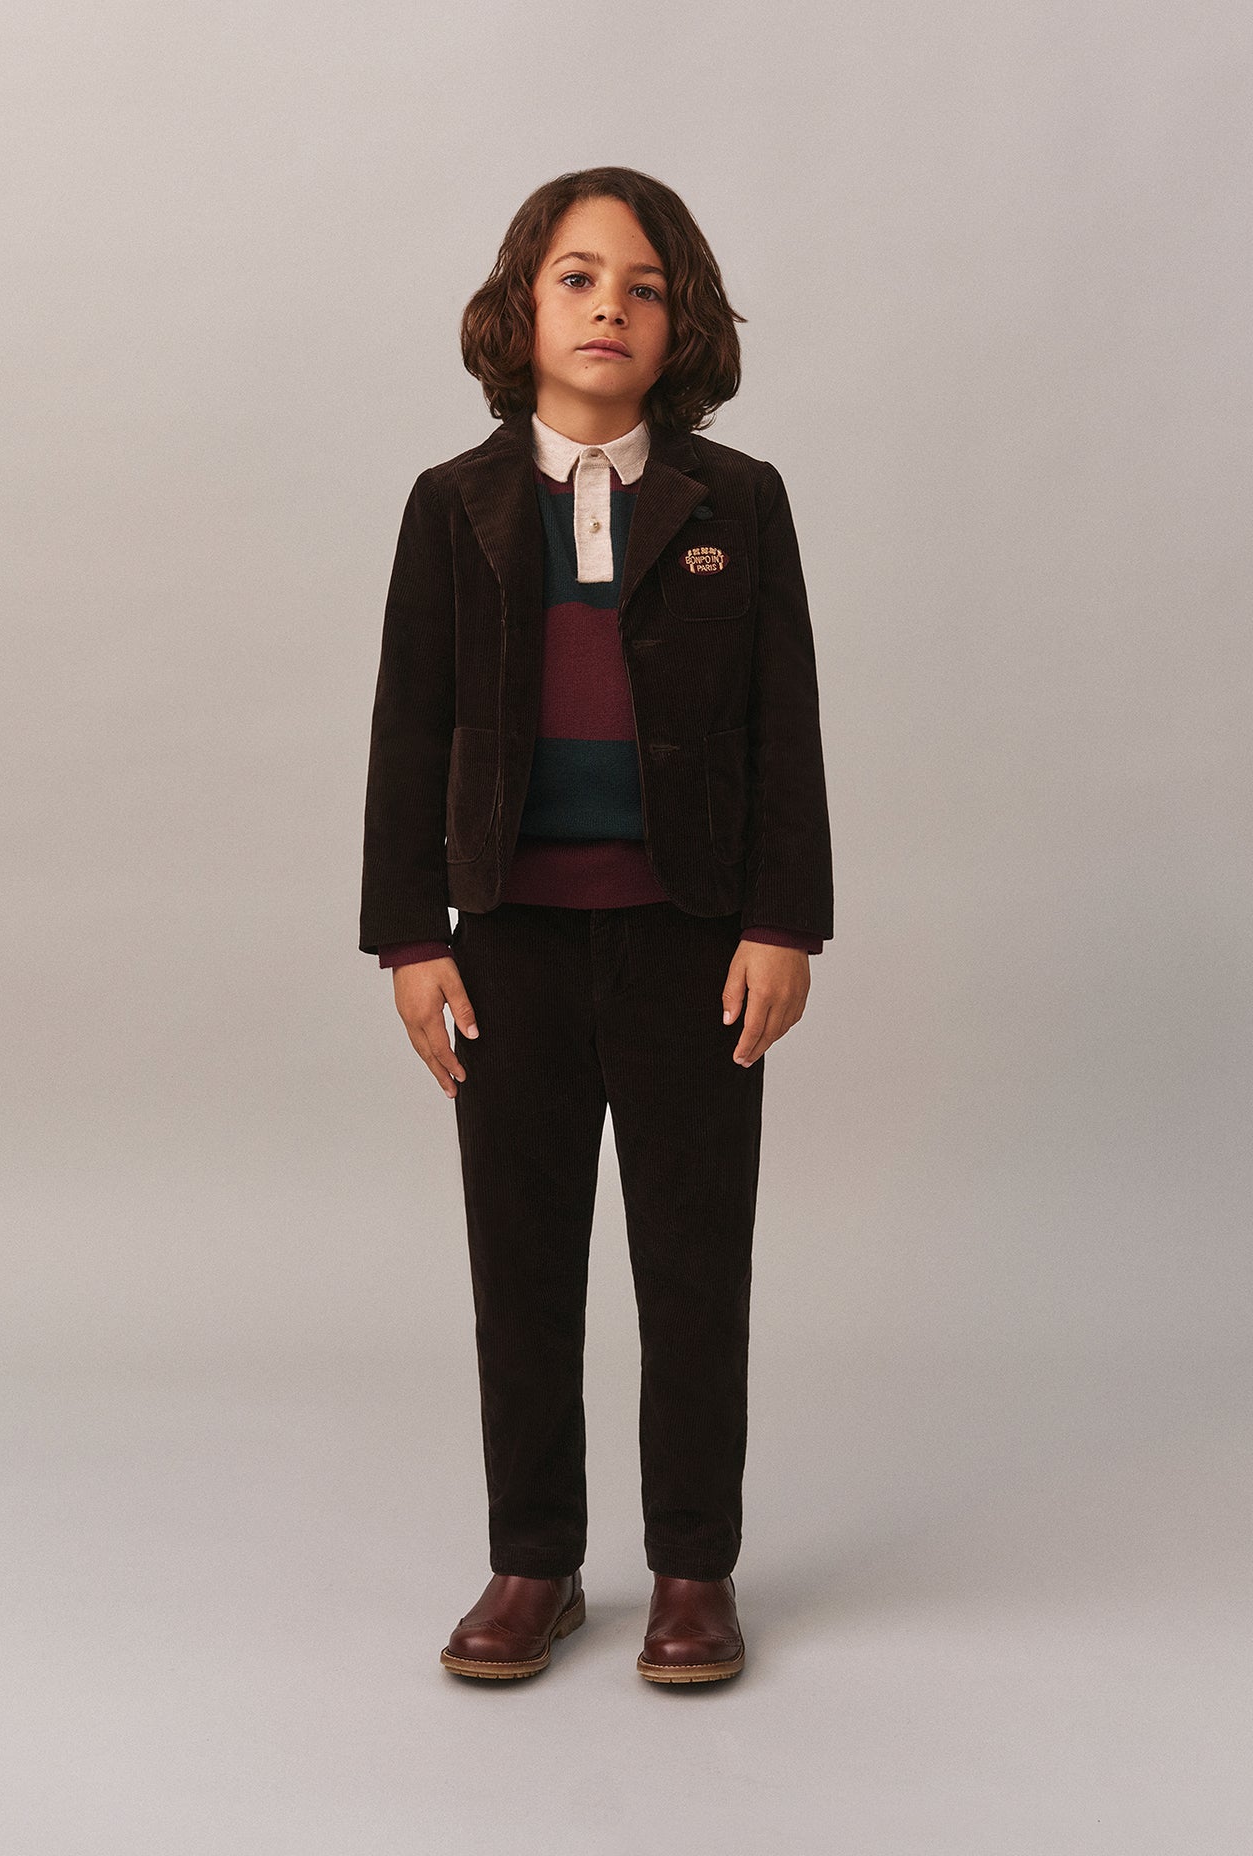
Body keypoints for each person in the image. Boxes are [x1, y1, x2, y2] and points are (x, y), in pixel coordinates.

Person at [359, 166, 834, 1685]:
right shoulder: (453, 505)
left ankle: (694, 1567)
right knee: (522, 1264)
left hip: (694, 946)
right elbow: (408, 729)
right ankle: (534, 1562)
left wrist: (785, 921)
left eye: (643, 286)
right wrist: (411, 940)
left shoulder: (737, 502)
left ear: (682, 325)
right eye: (576, 278)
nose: (609, 309)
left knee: (695, 1265)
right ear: (521, 308)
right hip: (507, 947)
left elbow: (784, 727)